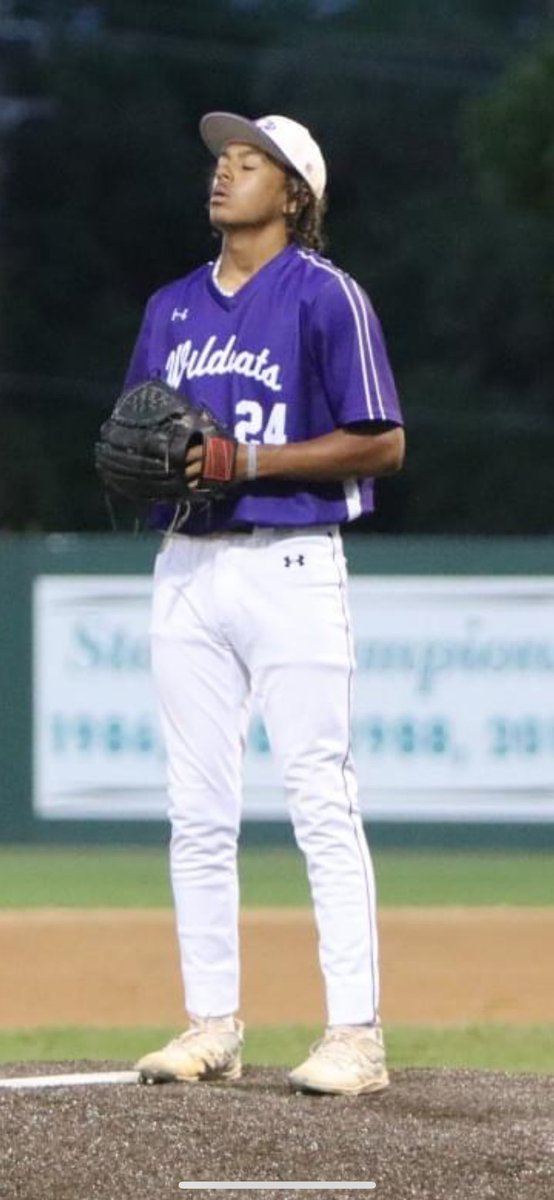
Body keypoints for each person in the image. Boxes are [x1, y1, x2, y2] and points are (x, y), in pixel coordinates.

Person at [128, 112, 405, 1095]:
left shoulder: (324, 297)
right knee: (195, 809)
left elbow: (380, 441)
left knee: (317, 799)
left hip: (291, 561)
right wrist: (138, 471)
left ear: (294, 194)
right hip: (188, 566)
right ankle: (210, 1024)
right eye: (220, 159)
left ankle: (354, 1037)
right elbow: (140, 441)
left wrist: (249, 460)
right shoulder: (169, 308)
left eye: (250, 162)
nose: (225, 172)